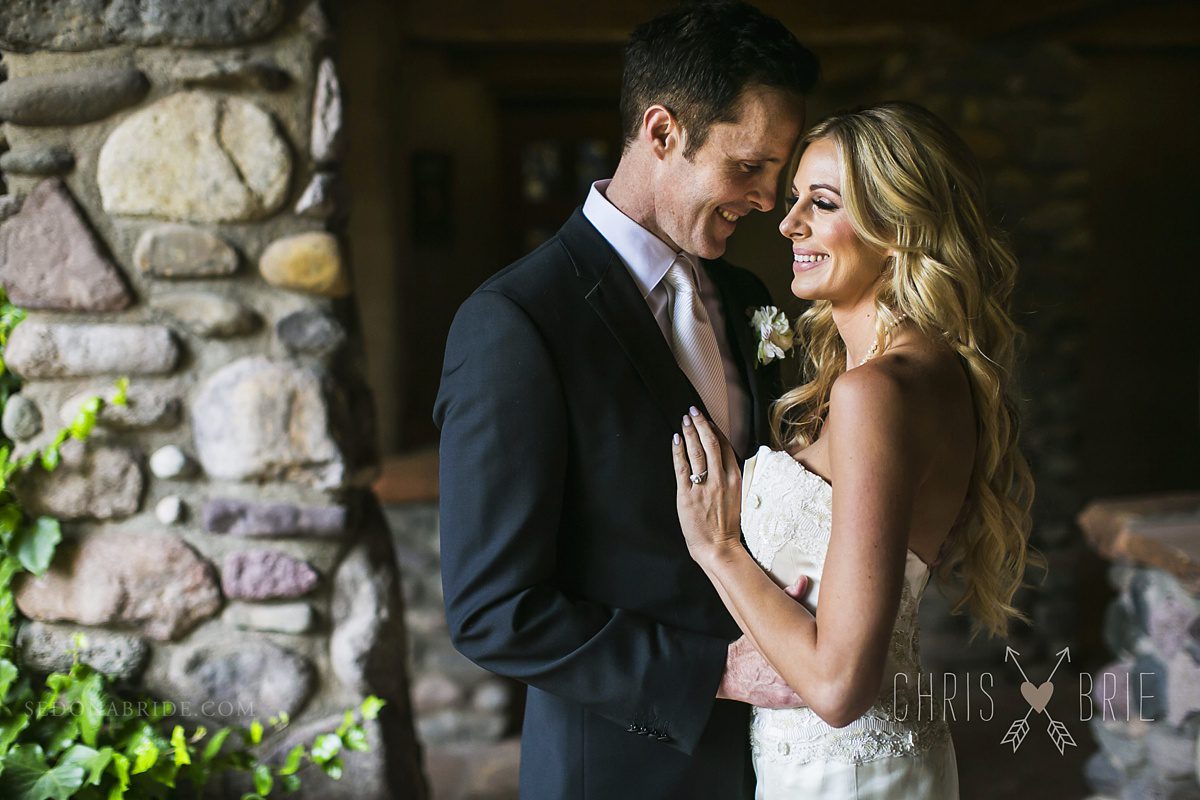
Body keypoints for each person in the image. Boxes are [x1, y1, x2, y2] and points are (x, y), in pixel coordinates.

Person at [433, 2, 818, 797]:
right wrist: (715, 670)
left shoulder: (747, 295)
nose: (770, 200)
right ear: (663, 131)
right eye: (749, 167)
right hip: (617, 770)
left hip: (778, 756)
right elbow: (493, 610)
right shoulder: (517, 323)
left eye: (780, 173)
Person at [672, 101, 1040, 798]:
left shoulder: (876, 392)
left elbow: (840, 686)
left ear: (897, 227)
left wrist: (717, 549)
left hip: (844, 772)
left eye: (823, 202)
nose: (789, 223)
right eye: (793, 200)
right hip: (867, 763)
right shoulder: (927, 372)